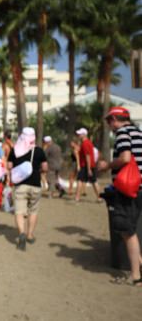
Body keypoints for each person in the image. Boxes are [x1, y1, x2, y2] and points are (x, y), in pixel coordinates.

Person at [98, 107, 142, 286]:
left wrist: (107, 165)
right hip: (140, 188)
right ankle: (138, 266)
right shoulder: (138, 133)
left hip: (129, 189)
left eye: (110, 121)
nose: (110, 125)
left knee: (126, 230)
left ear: (115, 119)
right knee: (130, 229)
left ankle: (135, 276)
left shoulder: (123, 133)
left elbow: (124, 158)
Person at [8, 127, 48, 251]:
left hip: (20, 185)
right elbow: (45, 168)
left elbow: (9, 166)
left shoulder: (15, 150)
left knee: (19, 211)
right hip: (36, 184)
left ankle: (22, 233)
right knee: (33, 211)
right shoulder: (39, 151)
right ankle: (30, 235)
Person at [72, 128, 103, 204]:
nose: (78, 135)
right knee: (94, 181)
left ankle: (77, 198)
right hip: (89, 165)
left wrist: (88, 169)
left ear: (84, 134)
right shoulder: (87, 142)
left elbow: (87, 156)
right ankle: (99, 198)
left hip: (86, 165)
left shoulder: (85, 143)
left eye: (80, 133)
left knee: (79, 180)